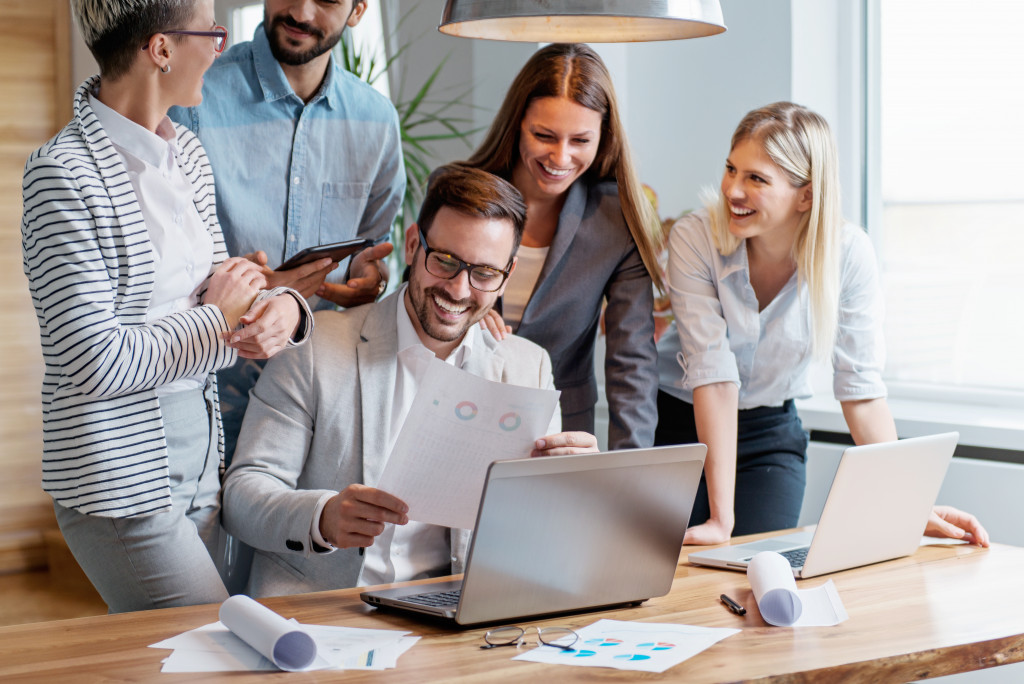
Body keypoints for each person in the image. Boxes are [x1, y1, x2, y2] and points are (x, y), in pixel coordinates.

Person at [20, 0, 312, 613]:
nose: (220, 47)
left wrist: (282, 305)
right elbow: (93, 361)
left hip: (203, 457)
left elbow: (226, 288)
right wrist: (220, 317)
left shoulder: (188, 157)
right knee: (215, 644)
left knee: (190, 662)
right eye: (211, 31)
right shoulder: (61, 174)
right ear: (161, 49)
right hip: (117, 479)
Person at [221, 166, 599, 597]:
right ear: (414, 244)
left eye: (484, 274)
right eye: (446, 262)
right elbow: (243, 497)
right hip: (320, 613)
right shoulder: (315, 345)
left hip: (454, 620)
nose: (458, 290)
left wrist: (571, 487)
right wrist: (322, 516)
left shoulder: (528, 367)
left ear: (506, 276)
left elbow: (537, 532)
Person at [655, 102, 989, 547]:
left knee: (764, 573)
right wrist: (721, 519)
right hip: (681, 426)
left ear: (806, 195)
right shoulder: (695, 237)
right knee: (677, 578)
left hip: (769, 434)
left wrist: (910, 504)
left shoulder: (849, 254)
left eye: (756, 178)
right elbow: (714, 378)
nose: (732, 190)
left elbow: (862, 391)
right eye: (731, 169)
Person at [169, 0, 404, 462]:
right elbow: (162, 261)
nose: (301, 10)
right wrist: (250, 290)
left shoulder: (376, 121)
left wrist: (370, 281)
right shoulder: (195, 96)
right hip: (209, 386)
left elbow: (374, 250)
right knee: (206, 535)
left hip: (320, 395)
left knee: (297, 531)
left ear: (357, 11)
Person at [456, 43, 660, 450]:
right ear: (517, 124)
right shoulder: (457, 194)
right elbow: (418, 299)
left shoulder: (617, 219)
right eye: (544, 136)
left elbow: (631, 363)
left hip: (561, 427)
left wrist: (629, 473)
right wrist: (459, 313)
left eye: (580, 140)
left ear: (603, 137)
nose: (561, 157)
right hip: (458, 408)